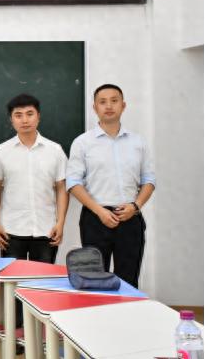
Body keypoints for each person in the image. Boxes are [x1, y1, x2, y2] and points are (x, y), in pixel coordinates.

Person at [0, 93, 68, 336]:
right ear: (11, 120)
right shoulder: (1, 151)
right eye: (18, 115)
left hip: (46, 229)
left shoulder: (55, 150)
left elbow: (61, 188)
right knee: (13, 287)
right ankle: (14, 335)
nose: (24, 120)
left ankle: (41, 336)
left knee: (43, 287)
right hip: (12, 229)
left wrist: (61, 222)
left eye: (29, 114)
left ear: (38, 116)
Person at [66, 84, 155, 287]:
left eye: (114, 101)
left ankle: (126, 309)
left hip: (130, 216)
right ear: (94, 107)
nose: (108, 106)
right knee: (93, 280)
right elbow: (73, 183)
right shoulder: (82, 142)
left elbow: (148, 180)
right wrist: (100, 211)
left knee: (129, 280)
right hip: (95, 218)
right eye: (102, 102)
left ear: (123, 106)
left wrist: (135, 206)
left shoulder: (138, 142)